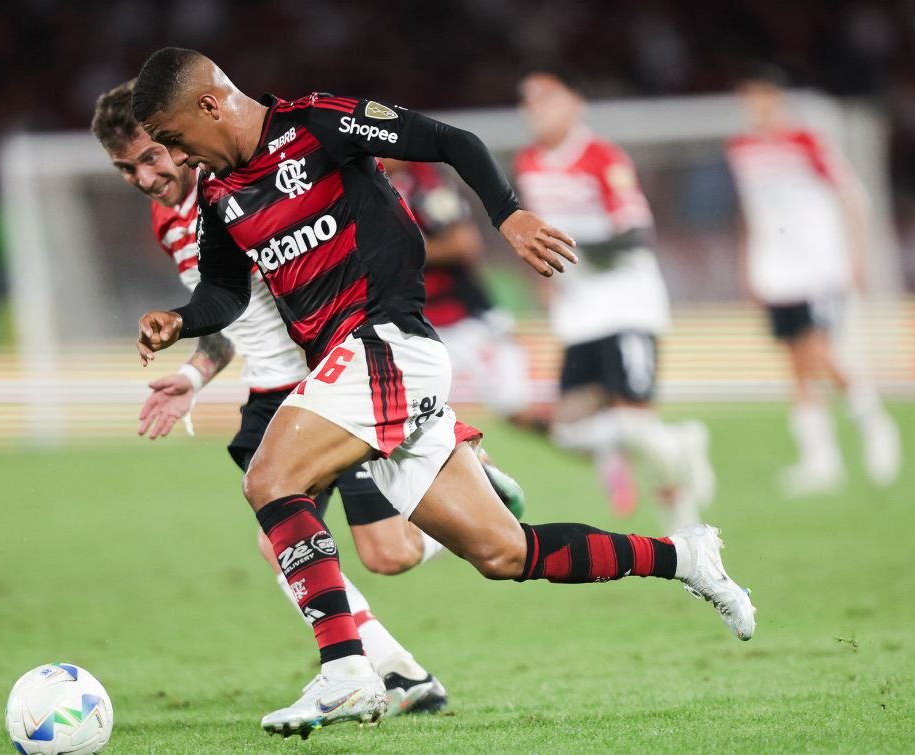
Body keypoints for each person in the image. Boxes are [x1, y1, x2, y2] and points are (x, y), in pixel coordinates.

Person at [130, 47, 755, 739]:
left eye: (175, 138)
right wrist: (179, 320)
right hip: (356, 366)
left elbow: (453, 141)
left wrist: (508, 215)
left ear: (210, 104)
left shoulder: (318, 124)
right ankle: (683, 555)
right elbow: (222, 290)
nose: (177, 156)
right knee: (503, 553)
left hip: (386, 341)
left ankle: (346, 671)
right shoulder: (220, 194)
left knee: (270, 479)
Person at [91, 79, 492, 715]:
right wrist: (194, 375)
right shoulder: (173, 217)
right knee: (280, 541)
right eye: (126, 169)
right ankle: (396, 672)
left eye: (154, 154)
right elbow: (228, 316)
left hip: (330, 379)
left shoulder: (255, 175)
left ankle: (469, 491)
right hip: (268, 390)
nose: (145, 175)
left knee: (388, 554)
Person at [513, 68, 714, 528]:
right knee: (569, 432)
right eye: (528, 99)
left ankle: (685, 528)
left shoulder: (602, 157)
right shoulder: (528, 162)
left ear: (576, 103)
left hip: (625, 306)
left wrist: (570, 248)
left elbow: (635, 235)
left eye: (547, 97)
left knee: (635, 420)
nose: (535, 108)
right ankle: (681, 440)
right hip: (578, 315)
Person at [726, 65, 900, 496]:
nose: (755, 107)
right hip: (776, 270)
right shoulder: (742, 148)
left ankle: (874, 422)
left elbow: (853, 197)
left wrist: (856, 256)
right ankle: (820, 461)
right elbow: (752, 210)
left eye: (762, 97)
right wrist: (749, 262)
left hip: (818, 266)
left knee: (819, 353)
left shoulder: (807, 142)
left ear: (777, 100)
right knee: (797, 364)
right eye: (748, 98)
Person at [380, 158, 544, 433]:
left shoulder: (426, 184)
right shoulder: (368, 184)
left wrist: (396, 252)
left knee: (519, 411)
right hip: (418, 327)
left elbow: (463, 244)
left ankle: (592, 439)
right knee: (417, 422)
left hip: (463, 320)